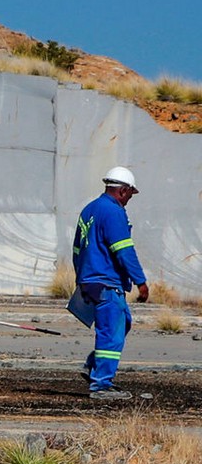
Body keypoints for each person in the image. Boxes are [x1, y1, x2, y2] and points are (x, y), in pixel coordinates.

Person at [70, 166, 151, 401]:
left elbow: (77, 249)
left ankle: (92, 366)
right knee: (111, 333)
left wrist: (81, 278)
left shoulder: (90, 209)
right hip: (106, 282)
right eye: (130, 195)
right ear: (123, 191)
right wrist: (141, 282)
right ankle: (101, 384)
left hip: (91, 280)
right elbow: (124, 250)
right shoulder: (113, 212)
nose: (129, 201)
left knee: (121, 323)